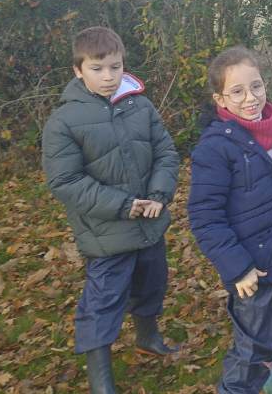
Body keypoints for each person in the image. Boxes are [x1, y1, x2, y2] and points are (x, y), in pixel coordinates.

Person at [42, 26, 180, 394]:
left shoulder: (141, 106)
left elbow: (166, 152)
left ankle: (147, 337)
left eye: (115, 67)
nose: (108, 77)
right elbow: (66, 181)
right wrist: (122, 206)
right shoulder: (63, 122)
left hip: (150, 223)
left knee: (151, 284)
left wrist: (159, 194)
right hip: (106, 234)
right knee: (103, 302)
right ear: (78, 70)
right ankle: (100, 378)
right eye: (97, 68)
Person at [188, 46, 272, 394]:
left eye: (256, 86)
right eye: (237, 91)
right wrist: (238, 268)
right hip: (252, 270)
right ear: (220, 99)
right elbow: (205, 218)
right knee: (252, 349)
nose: (250, 98)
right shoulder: (215, 148)